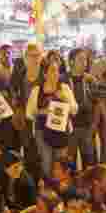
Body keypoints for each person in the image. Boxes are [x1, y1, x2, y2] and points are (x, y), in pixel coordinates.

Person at [27, 50, 78, 178]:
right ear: (44, 73)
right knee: (46, 162)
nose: (56, 74)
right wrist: (42, 112)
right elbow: (29, 113)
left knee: (60, 164)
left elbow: (74, 109)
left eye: (57, 71)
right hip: (42, 130)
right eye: (52, 71)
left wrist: (65, 99)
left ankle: (60, 190)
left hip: (61, 131)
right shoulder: (37, 90)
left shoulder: (64, 88)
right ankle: (47, 189)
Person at [66, 48, 98, 169]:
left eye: (85, 59)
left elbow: (97, 103)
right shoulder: (63, 79)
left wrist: (94, 124)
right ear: (71, 61)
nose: (84, 62)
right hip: (70, 127)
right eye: (80, 59)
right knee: (70, 162)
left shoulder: (91, 80)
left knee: (89, 161)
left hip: (87, 126)